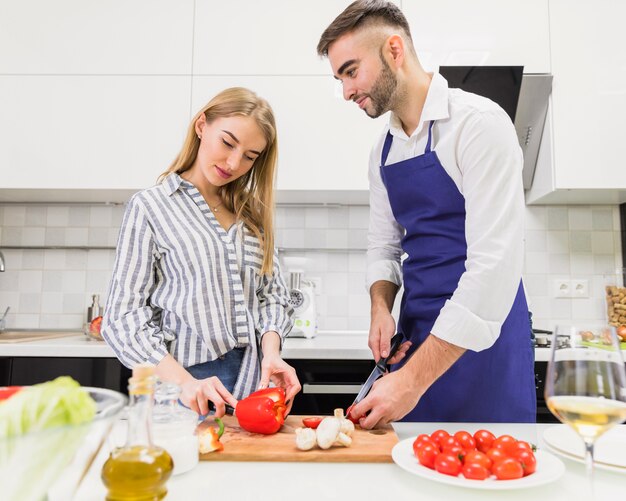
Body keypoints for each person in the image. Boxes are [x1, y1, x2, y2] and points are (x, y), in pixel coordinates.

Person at [317, 0, 535, 427]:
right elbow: (383, 245)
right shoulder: (383, 149)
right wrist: (381, 306)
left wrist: (413, 380)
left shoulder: (478, 125)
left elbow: (494, 268)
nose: (345, 91)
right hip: (417, 334)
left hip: (483, 341)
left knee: (491, 481)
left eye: (350, 70)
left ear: (394, 50)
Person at [102, 87, 301, 417]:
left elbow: (273, 297)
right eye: (227, 142)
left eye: (250, 156)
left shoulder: (253, 217)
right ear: (201, 126)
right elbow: (121, 320)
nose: (234, 163)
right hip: (182, 389)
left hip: (254, 385)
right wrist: (185, 384)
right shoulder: (151, 207)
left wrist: (272, 353)